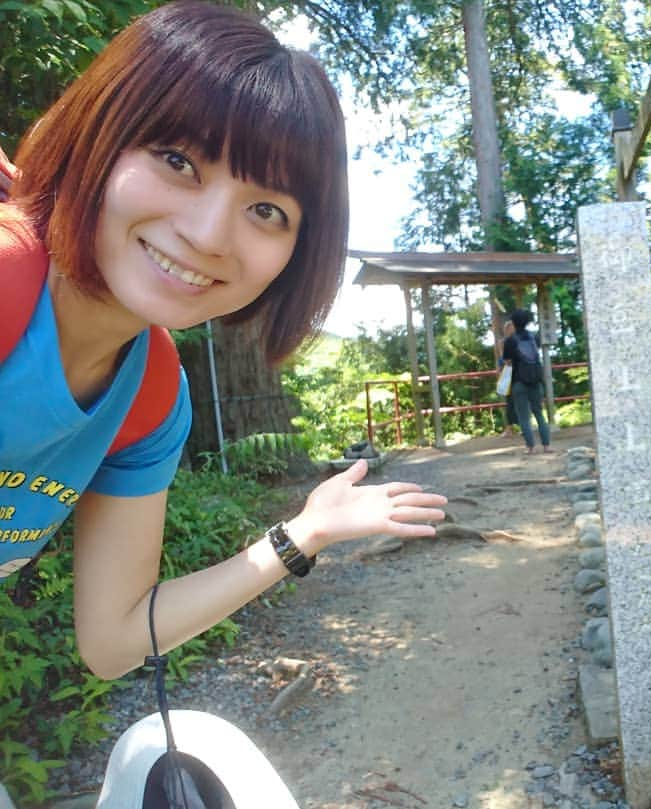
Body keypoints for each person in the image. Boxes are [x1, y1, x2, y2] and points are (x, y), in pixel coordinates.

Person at [0, 0, 446, 683]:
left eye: (266, 210)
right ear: (97, 132)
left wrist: (304, 534)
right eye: (177, 159)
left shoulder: (151, 394)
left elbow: (114, 638)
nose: (209, 235)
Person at [502, 308, 552, 455]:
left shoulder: (510, 341)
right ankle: (547, 446)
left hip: (519, 381)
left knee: (524, 416)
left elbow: (508, 362)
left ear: (514, 323)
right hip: (535, 381)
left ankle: (530, 447)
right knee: (539, 413)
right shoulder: (534, 338)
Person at [496, 319, 518, 437]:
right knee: (510, 402)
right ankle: (509, 428)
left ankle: (523, 426)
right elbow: (503, 359)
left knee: (521, 400)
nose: (508, 330)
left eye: (510, 328)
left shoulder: (518, 341)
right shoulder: (503, 342)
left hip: (518, 373)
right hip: (509, 374)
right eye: (507, 329)